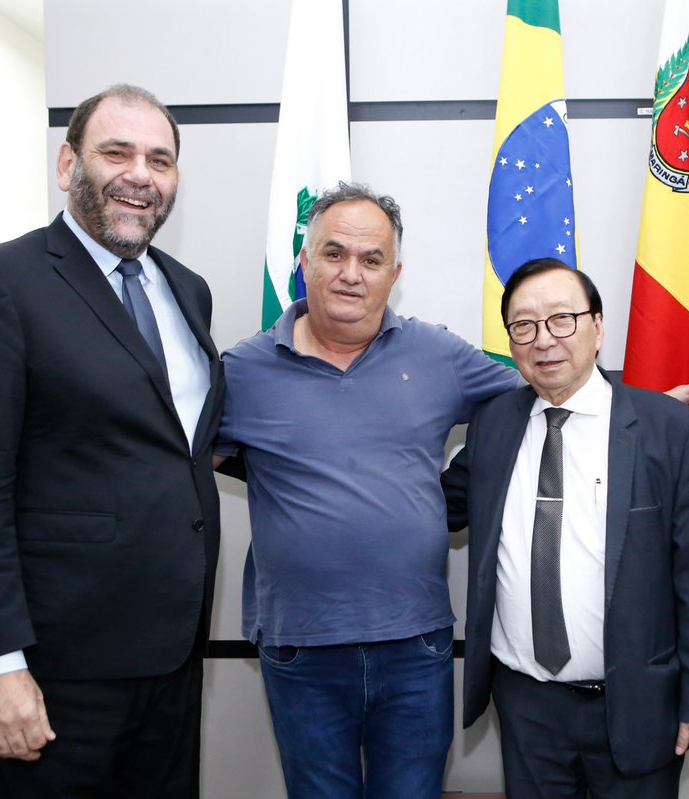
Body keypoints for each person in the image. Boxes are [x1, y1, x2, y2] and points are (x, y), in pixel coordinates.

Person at [0, 84, 225, 798]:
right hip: (54, 667)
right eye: (116, 152)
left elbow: (174, 445)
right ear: (68, 165)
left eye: (161, 159)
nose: (141, 175)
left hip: (171, 658)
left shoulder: (186, 289)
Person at [213, 181, 520, 798]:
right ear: (305, 262)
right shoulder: (242, 370)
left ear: (394, 273)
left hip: (417, 644)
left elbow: (540, 396)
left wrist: (653, 409)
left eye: (371, 259)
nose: (351, 273)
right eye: (334, 253)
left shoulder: (437, 354)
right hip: (302, 646)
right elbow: (177, 455)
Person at [441, 258, 689, 798]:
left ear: (598, 328)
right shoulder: (492, 427)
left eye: (562, 319)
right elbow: (431, 507)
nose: (544, 339)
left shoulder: (671, 432)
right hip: (527, 706)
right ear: (510, 341)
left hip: (640, 706)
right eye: (524, 325)